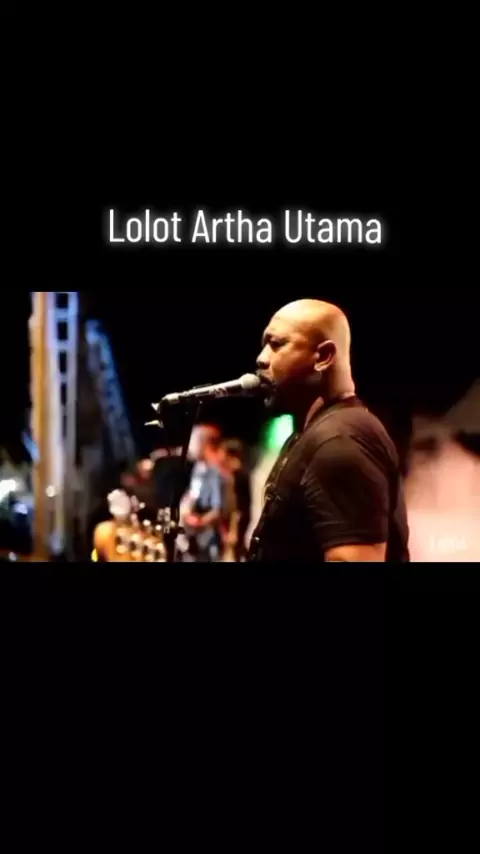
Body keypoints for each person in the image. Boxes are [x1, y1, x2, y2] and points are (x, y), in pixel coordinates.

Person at [247, 299, 410, 562]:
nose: (262, 358)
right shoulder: (317, 433)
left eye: (276, 344)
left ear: (323, 357)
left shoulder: (340, 440)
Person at [179, 424, 232, 561]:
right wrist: (185, 512)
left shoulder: (217, 472)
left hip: (209, 537)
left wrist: (200, 522)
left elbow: (219, 509)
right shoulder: (198, 467)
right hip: (194, 537)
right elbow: (193, 494)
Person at [217, 439, 252, 561]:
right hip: (235, 522)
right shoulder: (235, 475)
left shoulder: (239, 476)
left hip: (237, 523)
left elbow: (239, 508)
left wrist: (233, 531)